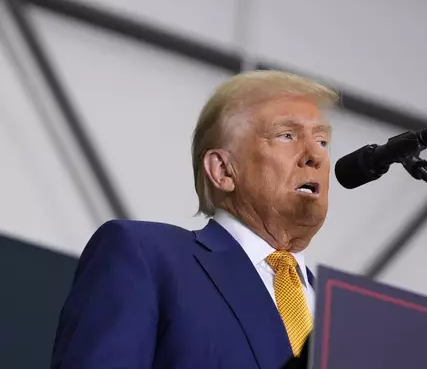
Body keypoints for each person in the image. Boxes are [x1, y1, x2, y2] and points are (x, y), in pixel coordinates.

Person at [50, 70, 339, 369]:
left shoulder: (342, 324)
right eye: (287, 135)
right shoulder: (147, 256)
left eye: (322, 141)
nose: (314, 156)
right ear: (223, 171)